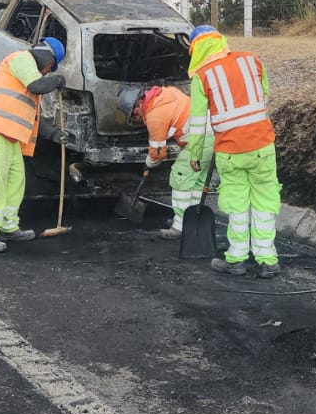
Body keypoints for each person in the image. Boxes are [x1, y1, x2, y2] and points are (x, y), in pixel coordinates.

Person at [185, 26, 283, 278]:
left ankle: (237, 259)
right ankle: (267, 259)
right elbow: (265, 94)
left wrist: (195, 155)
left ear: (195, 50)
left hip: (231, 151)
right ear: (221, 41)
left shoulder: (202, 77)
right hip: (262, 146)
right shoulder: (252, 60)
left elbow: (197, 122)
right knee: (264, 202)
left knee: (237, 205)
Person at [0, 37, 65, 253]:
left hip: (9, 137)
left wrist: (55, 134)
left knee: (15, 182)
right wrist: (57, 81)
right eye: (51, 66)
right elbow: (37, 85)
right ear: (47, 56)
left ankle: (8, 226)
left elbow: (34, 119)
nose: (49, 71)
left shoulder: (29, 75)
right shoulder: (21, 59)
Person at [118, 84, 211, 240]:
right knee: (194, 184)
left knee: (179, 178)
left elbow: (158, 154)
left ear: (139, 103)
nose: (137, 118)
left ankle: (179, 227)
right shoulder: (166, 93)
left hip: (199, 141)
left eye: (134, 114)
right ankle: (191, 221)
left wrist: (148, 164)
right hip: (210, 136)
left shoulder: (155, 115)